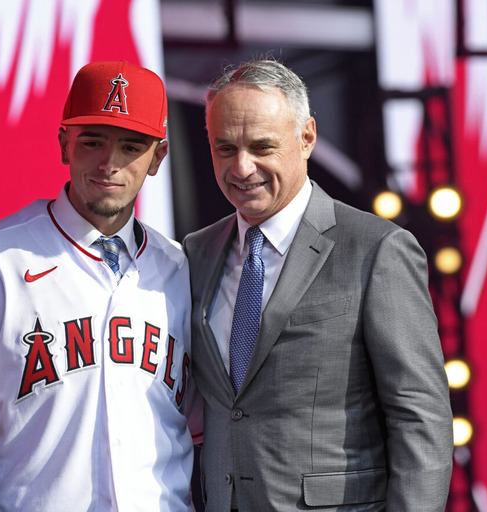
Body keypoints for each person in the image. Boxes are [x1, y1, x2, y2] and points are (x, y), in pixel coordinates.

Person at [0, 60, 202, 511]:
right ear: (64, 143)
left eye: (131, 146)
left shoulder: (183, 271)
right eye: (93, 142)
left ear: (157, 158)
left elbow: (204, 438)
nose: (110, 163)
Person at [183, 59, 453, 511]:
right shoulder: (196, 252)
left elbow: (420, 417)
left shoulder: (377, 249)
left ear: (306, 137)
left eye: (262, 146)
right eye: (224, 148)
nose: (242, 167)